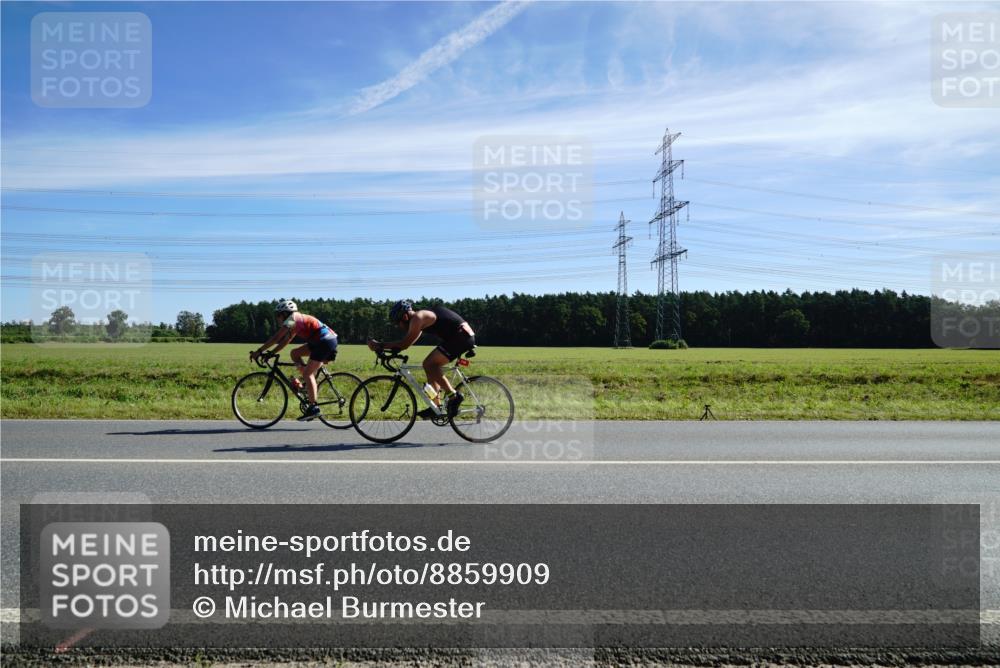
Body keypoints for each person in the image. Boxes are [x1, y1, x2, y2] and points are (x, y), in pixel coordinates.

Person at [368, 300, 475, 419]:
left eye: (398, 323)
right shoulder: (420, 319)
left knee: (430, 364)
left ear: (404, 316)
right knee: (430, 368)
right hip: (460, 336)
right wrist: (391, 349)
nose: (399, 326)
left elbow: (404, 343)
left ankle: (454, 396)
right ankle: (436, 406)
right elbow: (407, 344)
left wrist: (380, 345)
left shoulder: (418, 318)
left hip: (461, 336)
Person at [251, 300, 337, 421]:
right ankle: (306, 386)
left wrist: (259, 351)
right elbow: (286, 340)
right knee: (295, 353)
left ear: (286, 313)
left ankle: (314, 408)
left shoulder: (293, 318)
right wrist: (272, 353)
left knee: (308, 373)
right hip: (319, 341)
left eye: (278, 315)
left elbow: (277, 337)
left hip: (324, 341)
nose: (277, 318)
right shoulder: (295, 322)